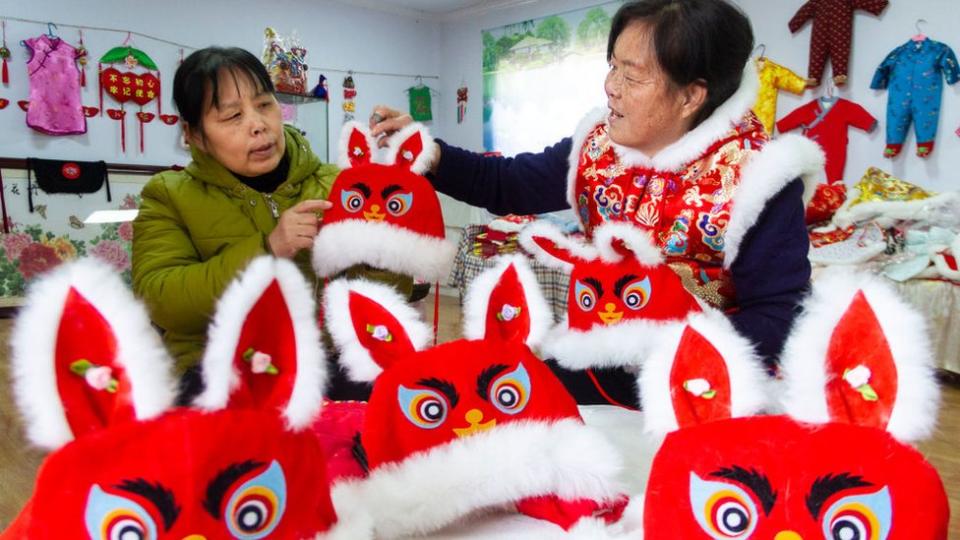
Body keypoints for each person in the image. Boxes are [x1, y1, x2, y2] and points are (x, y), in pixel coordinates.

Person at [370, 0, 823, 407]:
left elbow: (779, 318)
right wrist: (427, 151)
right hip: (595, 364)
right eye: (612, 67)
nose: (611, 88)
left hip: (702, 391)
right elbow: (507, 183)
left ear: (691, 95)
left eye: (633, 76)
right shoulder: (597, 145)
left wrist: (662, 346)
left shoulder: (758, 176)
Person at [133, 47, 407, 402]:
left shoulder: (339, 184)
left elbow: (389, 295)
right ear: (195, 134)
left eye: (264, 105)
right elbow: (162, 300)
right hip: (220, 368)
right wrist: (268, 249)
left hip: (330, 361)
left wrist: (381, 252)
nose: (258, 124)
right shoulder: (167, 196)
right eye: (232, 116)